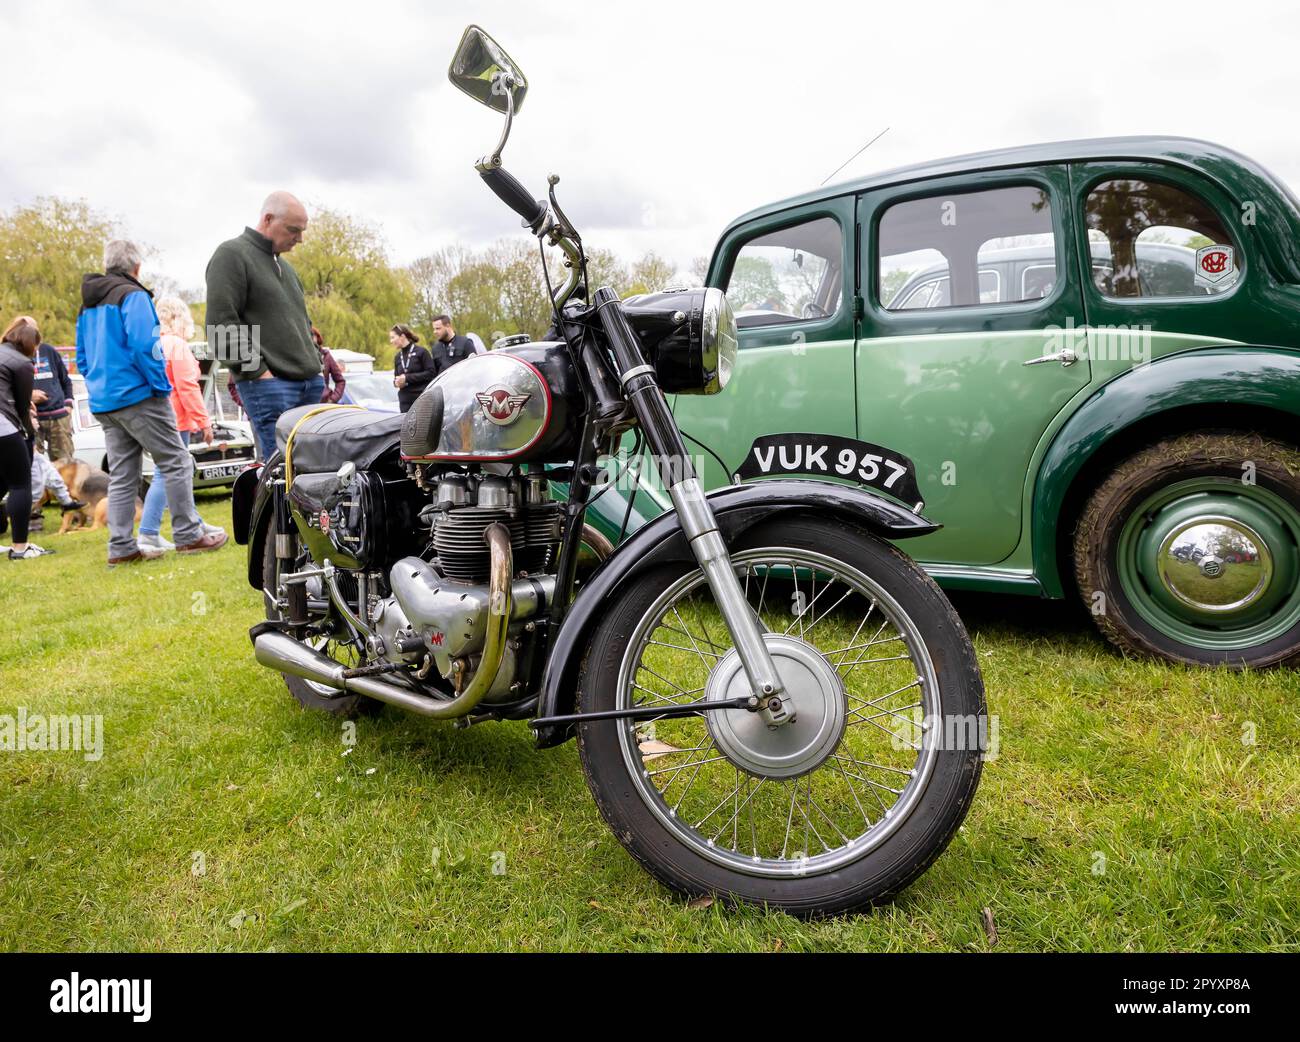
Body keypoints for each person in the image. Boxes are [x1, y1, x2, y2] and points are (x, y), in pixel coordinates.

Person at [76, 240, 226, 565]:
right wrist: (160, 387)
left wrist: (98, 385)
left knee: (122, 474)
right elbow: (147, 346)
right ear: (136, 267)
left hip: (104, 401)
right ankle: (189, 534)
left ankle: (121, 547)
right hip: (139, 395)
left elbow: (82, 357)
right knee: (176, 460)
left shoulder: (88, 305)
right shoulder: (133, 295)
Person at [206, 191, 322, 459]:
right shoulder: (232, 255)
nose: (300, 238)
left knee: (309, 472)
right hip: (270, 385)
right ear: (268, 219)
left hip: (308, 385)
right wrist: (259, 373)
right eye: (294, 229)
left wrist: (315, 364)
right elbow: (221, 324)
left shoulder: (287, 268)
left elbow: (304, 323)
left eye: (302, 231)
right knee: (280, 475)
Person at [137, 296, 221, 553]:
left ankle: (193, 522)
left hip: (157, 417)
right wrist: (204, 420)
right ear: (176, 318)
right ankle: (149, 532)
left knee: (176, 472)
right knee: (169, 473)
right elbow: (187, 387)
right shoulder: (176, 345)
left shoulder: (152, 343)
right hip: (176, 419)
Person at [0, 316, 54, 558]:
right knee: (20, 484)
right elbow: (23, 407)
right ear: (29, 343)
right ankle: (20, 548)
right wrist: (30, 435)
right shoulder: (22, 363)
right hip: (3, 426)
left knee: (1, 483)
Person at [33, 337, 76, 461]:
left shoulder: (49, 350)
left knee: (65, 464)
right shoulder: (15, 355)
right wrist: (29, 396)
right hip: (31, 419)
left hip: (59, 418)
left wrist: (68, 404)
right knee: (32, 465)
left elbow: (65, 380)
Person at [390, 323, 434, 413]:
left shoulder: (421, 352)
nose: (391, 341)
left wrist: (407, 378)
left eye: (393, 337)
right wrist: (397, 383)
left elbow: (431, 373)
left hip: (421, 398)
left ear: (402, 336)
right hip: (405, 401)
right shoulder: (398, 357)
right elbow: (396, 378)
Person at [314, 326, 347, 403]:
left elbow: (340, 381)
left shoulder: (326, 356)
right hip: (304, 405)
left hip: (323, 403)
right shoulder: (301, 356)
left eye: (313, 336)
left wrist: (332, 399)